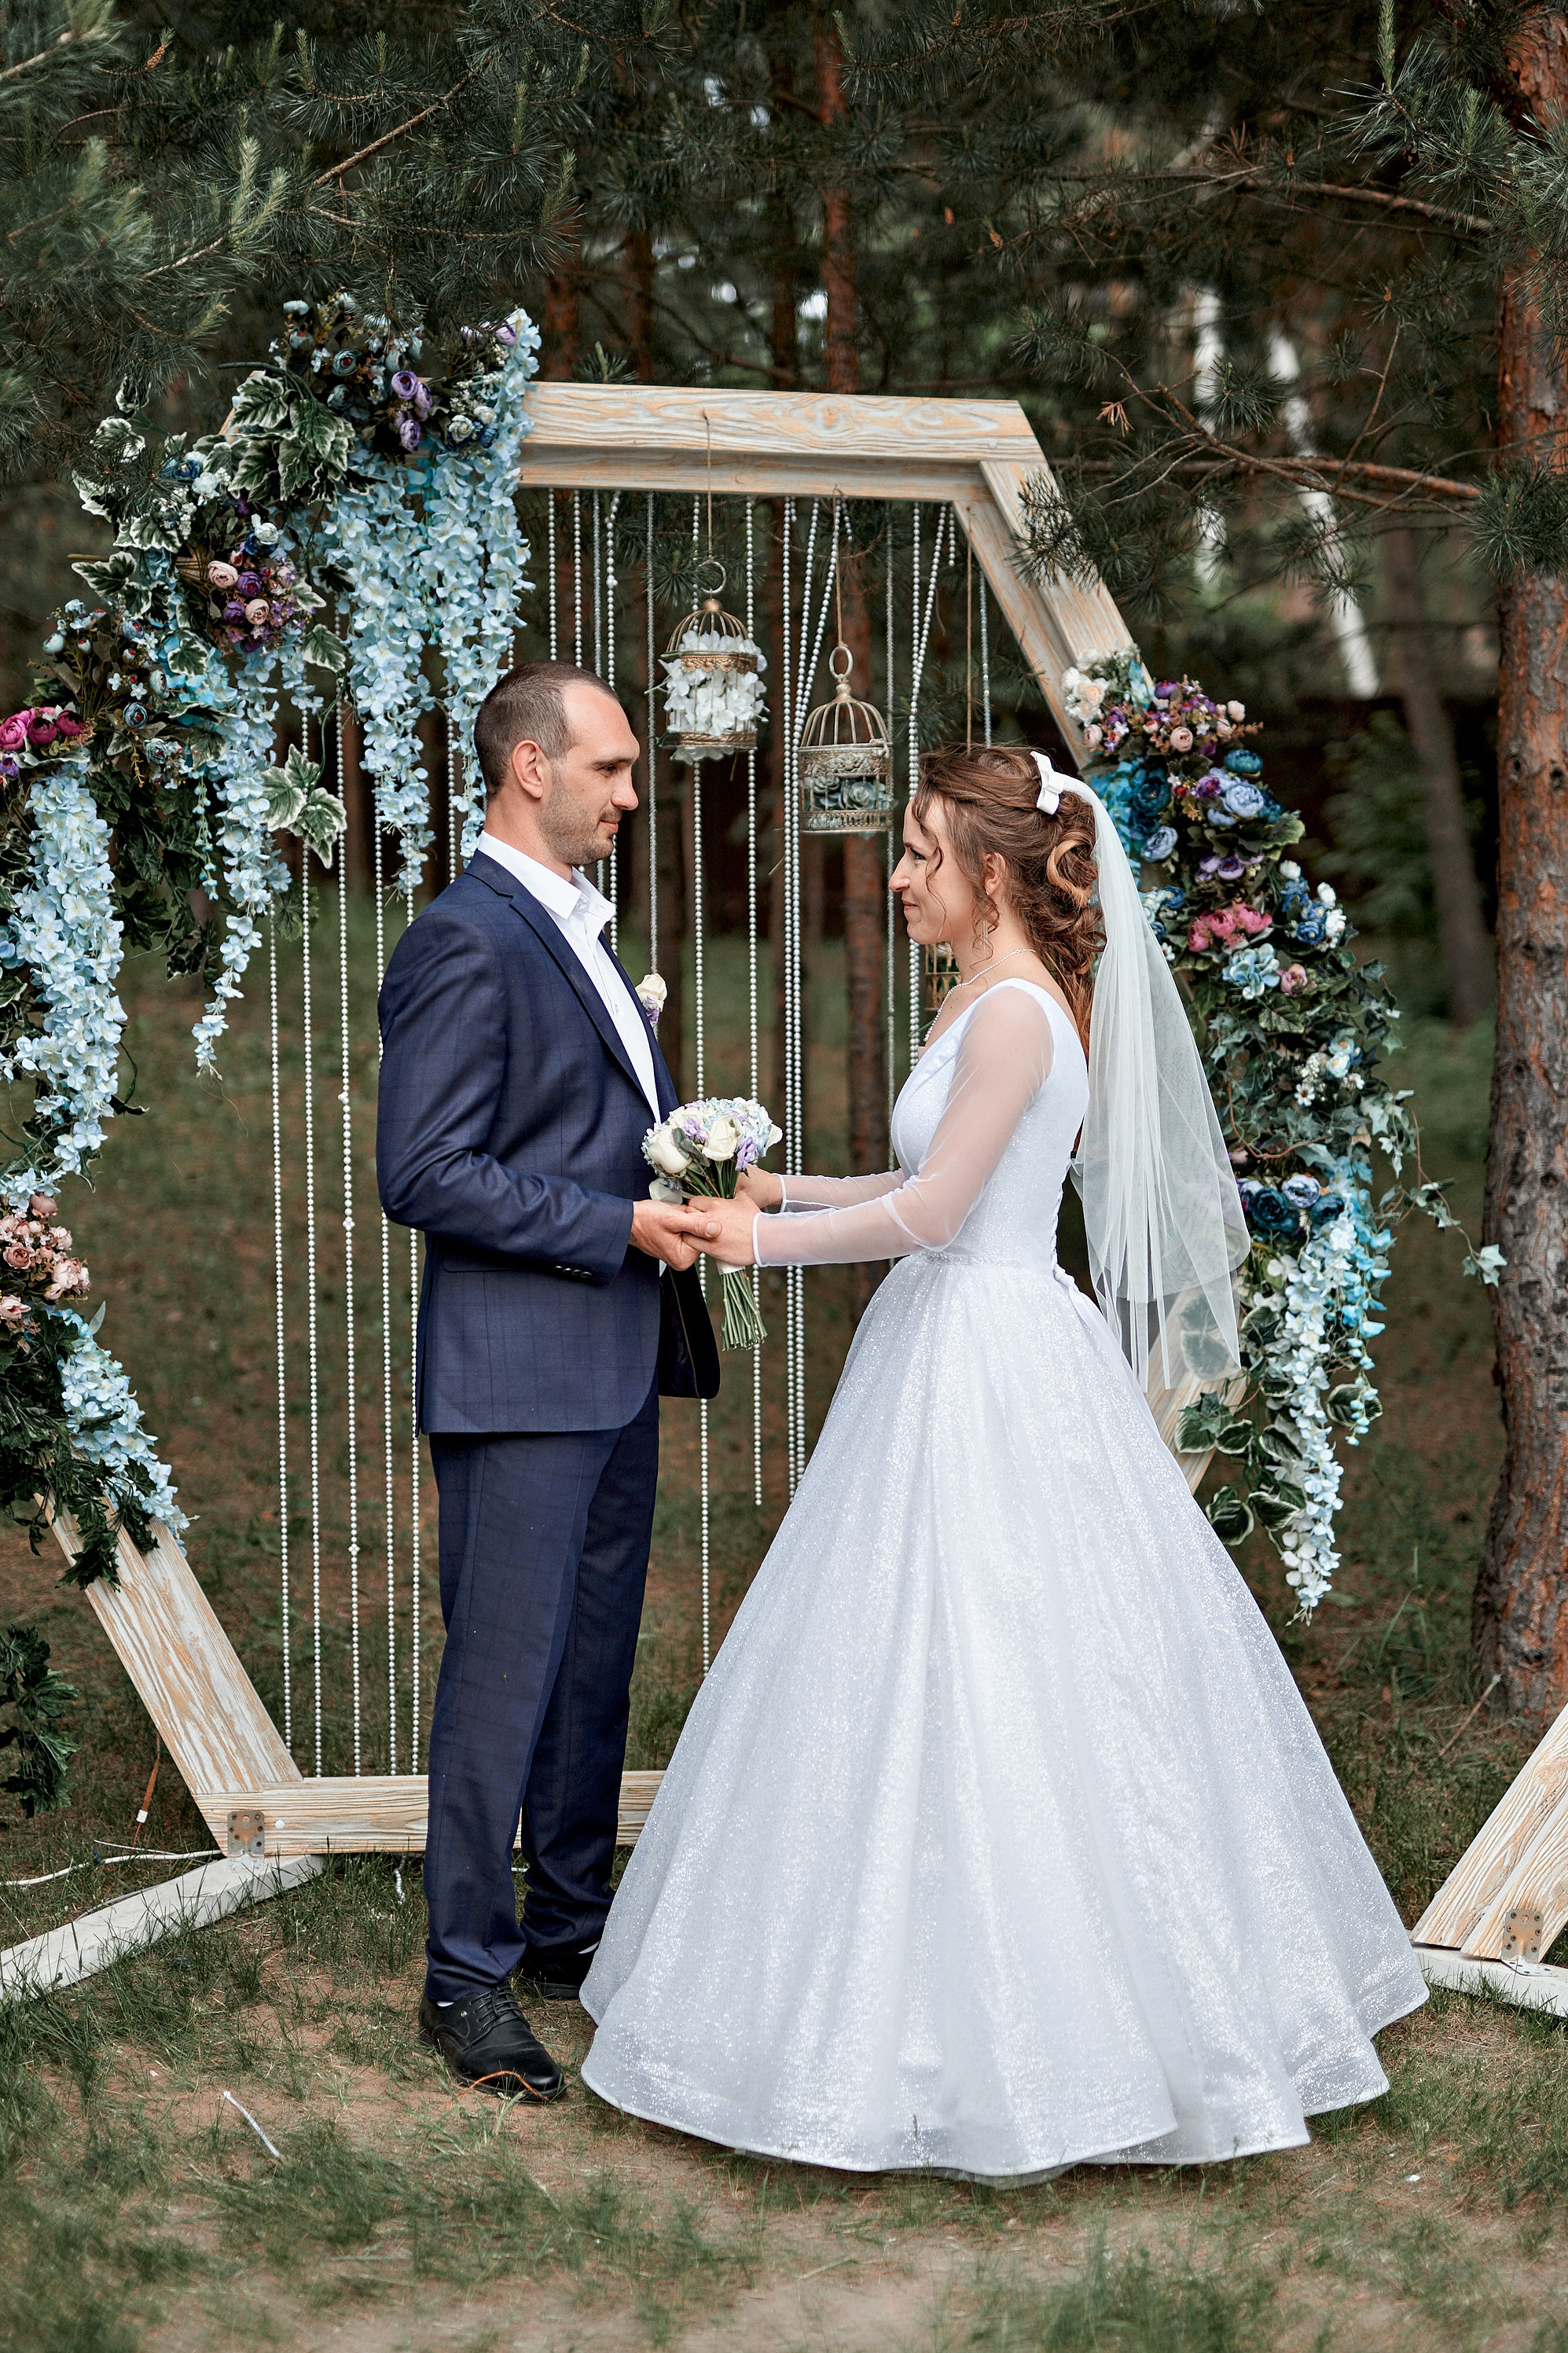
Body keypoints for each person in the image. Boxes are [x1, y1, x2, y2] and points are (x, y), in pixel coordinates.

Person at [579, 740, 1426, 2180]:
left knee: (1004, 1653)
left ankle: (1067, 2028)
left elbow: (936, 1217)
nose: (897, 877)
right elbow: (920, 1183)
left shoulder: (1022, 1015)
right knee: (896, 1651)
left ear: (989, 868)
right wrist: (778, 1181)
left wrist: (758, 1240)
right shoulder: (980, 995)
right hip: (944, 1337)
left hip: (990, 1354)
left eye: (920, 855)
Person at [377, 660, 719, 2100]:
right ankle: (466, 1974)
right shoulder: (464, 938)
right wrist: (615, 1224)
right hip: (518, 1370)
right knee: (503, 1676)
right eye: (612, 769)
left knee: (591, 1666)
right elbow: (423, 1171)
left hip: (615, 1361)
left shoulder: (580, 928)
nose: (632, 793)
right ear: (531, 767)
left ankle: (574, 1927)